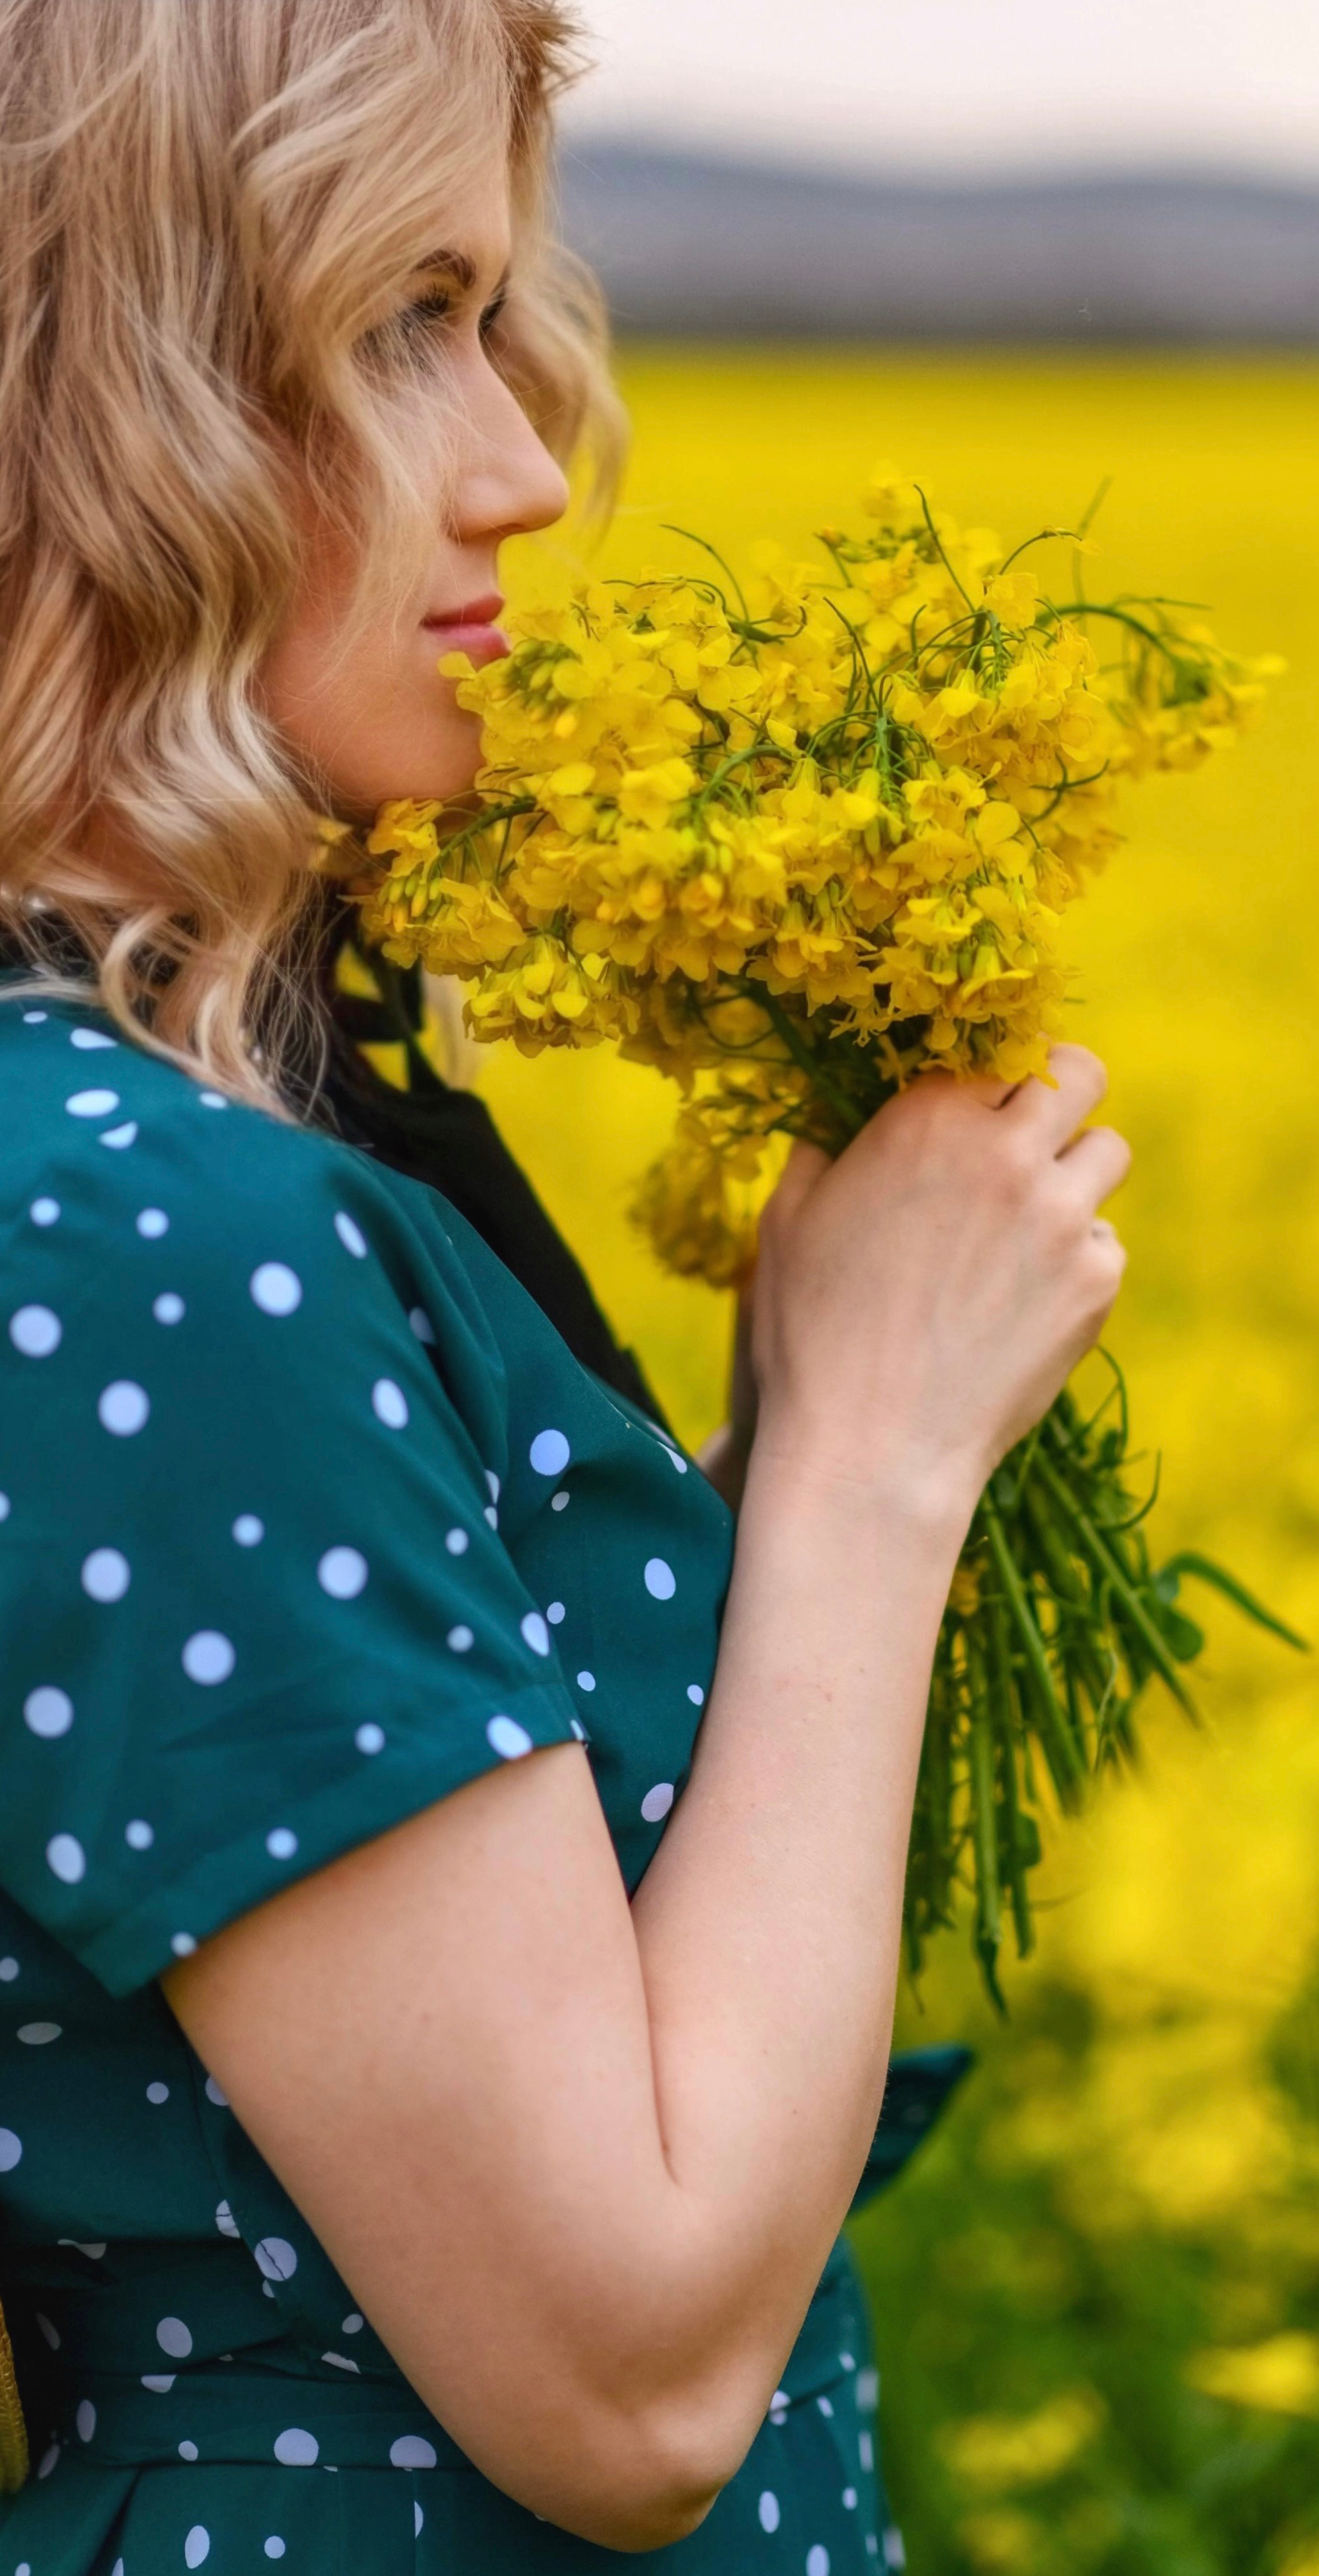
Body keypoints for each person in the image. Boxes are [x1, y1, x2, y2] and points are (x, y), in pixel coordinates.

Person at [0, 3, 1130, 2569]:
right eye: (398, 324)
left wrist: (784, 1445)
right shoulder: (144, 1230)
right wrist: (869, 1461)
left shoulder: (125, 1161)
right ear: (97, 386)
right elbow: (621, 2373)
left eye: (495, 319)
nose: (523, 465)